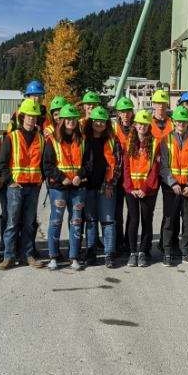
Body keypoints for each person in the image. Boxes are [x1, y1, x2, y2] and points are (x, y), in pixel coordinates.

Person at [0, 98, 45, 270]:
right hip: (16, 187)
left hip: (33, 187)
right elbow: (1, 162)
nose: (31, 119)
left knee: (29, 223)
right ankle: (8, 257)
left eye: (34, 116)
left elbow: (44, 163)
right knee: (12, 222)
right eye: (29, 116)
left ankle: (28, 255)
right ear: (22, 117)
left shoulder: (41, 138)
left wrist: (41, 181)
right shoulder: (12, 137)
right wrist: (10, 181)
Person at [43, 104, 87, 270]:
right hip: (59, 188)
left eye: (73, 119)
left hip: (77, 188)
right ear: (61, 121)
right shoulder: (52, 140)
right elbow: (47, 165)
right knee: (56, 221)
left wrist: (79, 176)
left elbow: (88, 163)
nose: (71, 122)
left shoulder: (82, 140)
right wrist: (62, 178)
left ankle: (73, 257)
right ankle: (53, 256)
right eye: (67, 119)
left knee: (76, 222)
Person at [159, 106, 188, 266]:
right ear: (174, 122)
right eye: (178, 121)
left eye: (184, 121)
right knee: (170, 220)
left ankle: (186, 252)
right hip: (171, 187)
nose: (181, 124)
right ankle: (168, 251)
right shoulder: (166, 140)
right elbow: (163, 166)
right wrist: (173, 183)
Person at [82, 106, 122, 268]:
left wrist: (110, 184)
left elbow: (118, 165)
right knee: (90, 221)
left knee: (107, 222)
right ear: (91, 122)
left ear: (107, 123)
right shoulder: (83, 139)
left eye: (102, 121)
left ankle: (109, 254)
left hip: (106, 187)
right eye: (96, 120)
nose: (99, 123)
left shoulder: (113, 140)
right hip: (88, 186)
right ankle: (91, 252)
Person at [123, 110, 161, 267]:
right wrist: (130, 187)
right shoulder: (128, 142)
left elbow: (155, 169)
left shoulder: (155, 143)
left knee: (146, 220)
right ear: (135, 125)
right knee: (133, 220)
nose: (142, 127)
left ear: (148, 126)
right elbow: (125, 167)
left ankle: (143, 252)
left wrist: (144, 188)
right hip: (131, 189)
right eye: (139, 124)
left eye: (145, 124)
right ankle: (132, 252)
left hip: (148, 190)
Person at [111, 96, 135, 255]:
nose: (125, 115)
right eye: (122, 112)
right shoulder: (112, 129)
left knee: (132, 212)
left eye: (128, 111)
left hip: (133, 176)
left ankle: (129, 241)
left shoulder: (137, 128)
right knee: (116, 211)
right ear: (118, 113)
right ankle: (118, 241)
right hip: (118, 175)